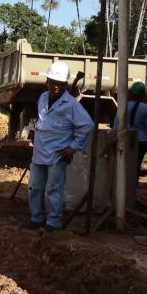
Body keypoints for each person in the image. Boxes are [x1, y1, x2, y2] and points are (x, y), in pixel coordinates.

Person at [26, 62, 94, 232]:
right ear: (47, 81)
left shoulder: (71, 104)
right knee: (35, 187)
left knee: (54, 189)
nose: (55, 86)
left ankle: (54, 222)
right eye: (52, 82)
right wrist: (35, 131)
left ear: (64, 84)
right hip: (40, 151)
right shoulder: (42, 98)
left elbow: (86, 125)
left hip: (57, 154)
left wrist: (73, 147)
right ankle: (36, 218)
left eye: (59, 83)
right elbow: (43, 120)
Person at [112, 81, 147, 184]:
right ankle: (132, 193)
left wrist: (114, 140)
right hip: (141, 141)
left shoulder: (123, 107)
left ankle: (121, 192)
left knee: (123, 166)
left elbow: (116, 125)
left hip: (124, 139)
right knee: (135, 168)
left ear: (130, 93)